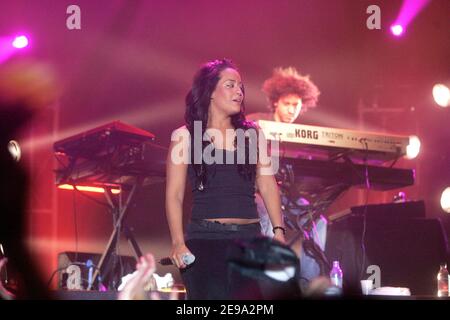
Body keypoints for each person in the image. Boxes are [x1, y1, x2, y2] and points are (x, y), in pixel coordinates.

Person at [165, 59, 286, 300]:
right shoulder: (185, 136)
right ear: (210, 91)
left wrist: (279, 232)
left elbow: (267, 185)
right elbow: (174, 195)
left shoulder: (252, 134)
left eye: (241, 87)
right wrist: (178, 243)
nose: (239, 92)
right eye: (230, 85)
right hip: (205, 240)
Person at [247, 67, 327, 287]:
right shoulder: (254, 122)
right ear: (275, 102)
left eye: (296, 105)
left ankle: (309, 287)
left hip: (287, 197)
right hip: (257, 194)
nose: (292, 109)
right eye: (287, 104)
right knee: (264, 213)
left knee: (317, 221)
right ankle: (261, 284)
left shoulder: (302, 135)